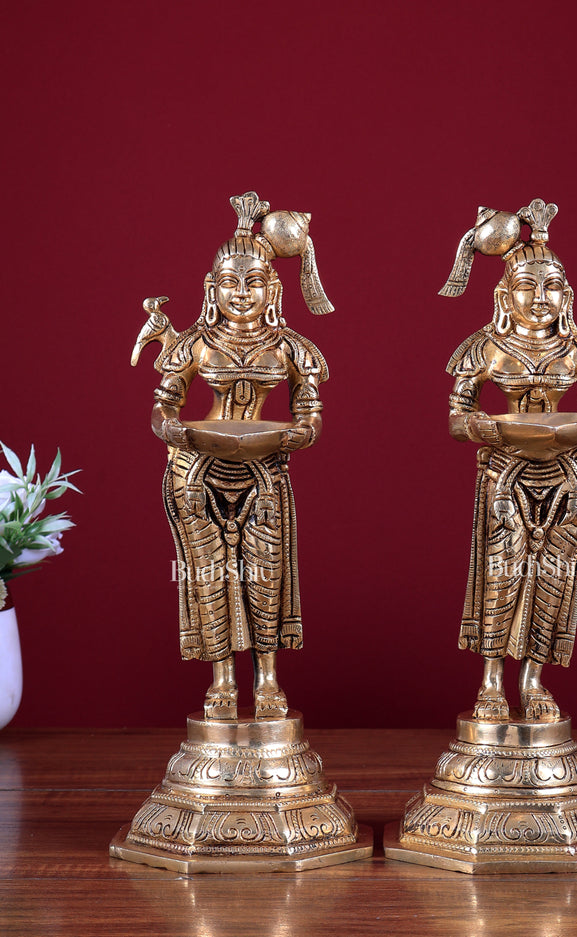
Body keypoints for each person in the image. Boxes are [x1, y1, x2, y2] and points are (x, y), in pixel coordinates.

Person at [134, 192, 333, 721]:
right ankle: (222, 677)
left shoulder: (290, 347)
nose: (241, 294)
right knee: (210, 575)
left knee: (264, 574)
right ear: (211, 288)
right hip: (196, 471)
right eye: (229, 282)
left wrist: (301, 434)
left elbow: (311, 413)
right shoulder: (195, 343)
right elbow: (164, 405)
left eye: (253, 283)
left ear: (273, 289)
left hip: (265, 469)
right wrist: (171, 429)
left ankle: (267, 677)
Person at [444, 199, 577, 723]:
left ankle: (534, 680)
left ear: (568, 297)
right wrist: (487, 428)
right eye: (527, 287)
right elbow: (457, 416)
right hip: (506, 474)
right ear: (504, 295)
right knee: (500, 575)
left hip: (571, 476)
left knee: (555, 577)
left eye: (552, 287)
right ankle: (491, 681)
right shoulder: (485, 348)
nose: (540, 298)